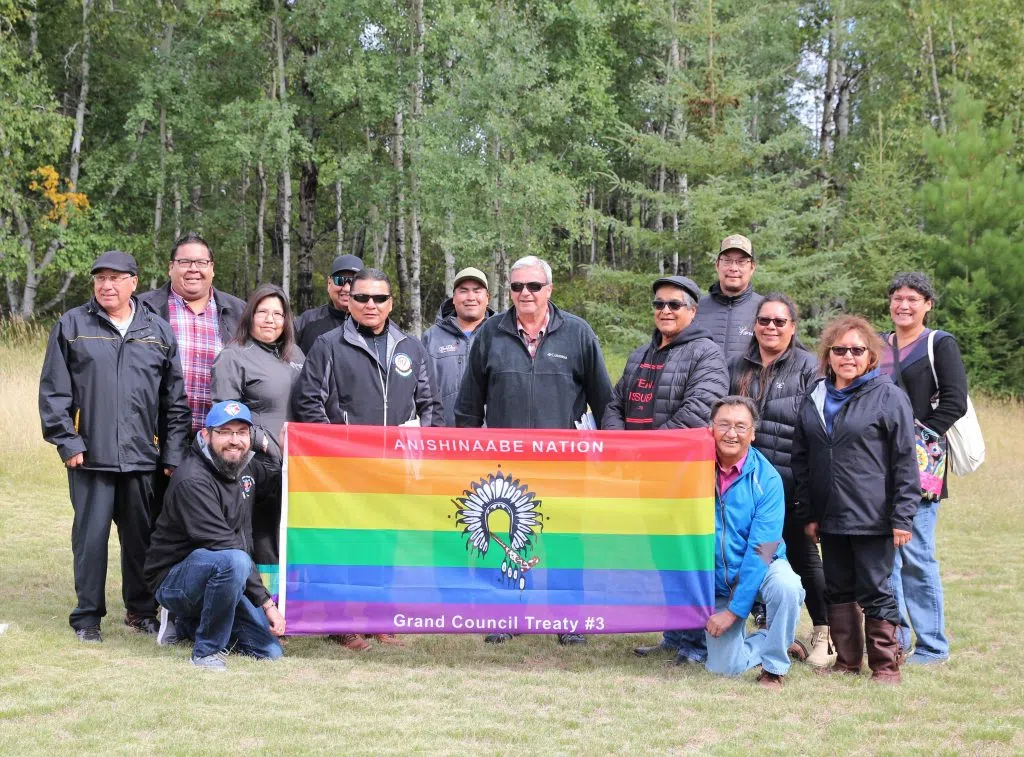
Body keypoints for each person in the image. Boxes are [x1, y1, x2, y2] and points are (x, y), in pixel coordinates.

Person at [456, 255, 613, 645]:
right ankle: (506, 616)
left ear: (550, 289)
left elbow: (605, 402)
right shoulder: (490, 333)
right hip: (503, 465)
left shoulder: (578, 333)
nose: (525, 293)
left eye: (534, 286)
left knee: (564, 542)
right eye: (517, 287)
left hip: (564, 464)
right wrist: (464, 456)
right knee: (509, 538)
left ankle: (568, 619)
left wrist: (608, 456)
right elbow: (468, 405)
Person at [39, 251, 190, 642]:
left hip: (143, 458)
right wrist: (67, 441)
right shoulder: (72, 325)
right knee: (89, 540)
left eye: (116, 278)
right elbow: (55, 392)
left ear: (134, 282)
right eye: (100, 278)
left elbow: (174, 401)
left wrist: (172, 453)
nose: (107, 285)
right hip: (90, 457)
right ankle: (87, 618)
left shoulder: (158, 331)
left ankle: (141, 611)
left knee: (141, 539)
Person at [291, 268, 443, 650]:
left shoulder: (410, 347)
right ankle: (342, 622)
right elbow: (308, 402)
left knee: (385, 543)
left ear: (391, 303)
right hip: (344, 468)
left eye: (378, 298)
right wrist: (338, 452)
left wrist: (421, 452)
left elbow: (429, 405)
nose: (370, 305)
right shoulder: (327, 345)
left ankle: (379, 617)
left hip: (394, 467)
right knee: (344, 544)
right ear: (349, 301)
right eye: (362, 298)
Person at [602, 275, 728, 666]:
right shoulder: (641, 353)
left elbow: (699, 410)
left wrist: (648, 451)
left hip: (682, 477)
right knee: (663, 557)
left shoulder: (707, 354)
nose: (666, 311)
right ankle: (674, 635)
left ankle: (696, 643)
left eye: (675, 305)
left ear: (692, 310)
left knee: (687, 557)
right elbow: (614, 404)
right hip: (646, 476)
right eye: (659, 304)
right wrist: (621, 446)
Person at [792, 315, 919, 684]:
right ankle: (847, 661)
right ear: (828, 355)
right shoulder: (814, 396)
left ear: (871, 356)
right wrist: (809, 512)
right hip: (829, 516)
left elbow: (905, 461)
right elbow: (802, 458)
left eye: (857, 350)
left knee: (876, 589)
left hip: (873, 515)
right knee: (838, 588)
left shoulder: (888, 396)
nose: (848, 356)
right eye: (840, 349)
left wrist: (902, 516)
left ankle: (884, 666)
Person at [728, 294, 832, 667]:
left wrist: (810, 489)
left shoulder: (808, 366)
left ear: (793, 327)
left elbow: (820, 430)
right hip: (747, 482)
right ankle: (772, 627)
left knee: (802, 556)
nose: (771, 327)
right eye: (765, 320)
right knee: (756, 554)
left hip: (791, 480)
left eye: (779, 322)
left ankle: (823, 631)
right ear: (754, 324)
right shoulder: (737, 365)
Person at [144, 401, 285, 671]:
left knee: (269, 651)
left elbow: (277, 476)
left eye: (241, 432)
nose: (234, 441)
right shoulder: (192, 479)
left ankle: (189, 623)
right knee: (234, 561)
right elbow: (227, 546)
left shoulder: (245, 468)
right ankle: (205, 650)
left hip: (227, 577)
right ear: (207, 435)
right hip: (174, 578)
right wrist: (267, 603)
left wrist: (274, 446)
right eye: (225, 432)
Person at [879, 272, 968, 665]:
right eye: (898, 297)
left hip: (921, 465)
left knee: (916, 554)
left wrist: (915, 437)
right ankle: (894, 640)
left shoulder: (939, 343)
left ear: (928, 304)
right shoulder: (877, 344)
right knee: (885, 558)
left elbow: (955, 401)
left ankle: (932, 646)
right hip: (876, 465)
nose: (904, 304)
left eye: (913, 298)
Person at [701, 396, 806, 690]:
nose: (731, 433)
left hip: (762, 567)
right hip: (717, 580)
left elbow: (763, 550)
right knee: (724, 668)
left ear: (753, 433)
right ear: (711, 428)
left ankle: (774, 666)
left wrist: (734, 612)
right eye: (723, 424)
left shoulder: (768, 479)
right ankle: (772, 639)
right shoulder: (695, 468)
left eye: (740, 426)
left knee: (787, 586)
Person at [211, 284, 304, 571]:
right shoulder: (234, 355)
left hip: (295, 465)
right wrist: (264, 443)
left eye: (278, 313)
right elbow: (227, 417)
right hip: (256, 465)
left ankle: (285, 606)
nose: (270, 319)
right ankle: (260, 607)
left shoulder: (296, 355)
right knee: (260, 542)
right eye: (262, 312)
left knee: (287, 540)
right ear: (250, 315)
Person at [138, 232, 246, 438]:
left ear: (212, 269)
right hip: (155, 436)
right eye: (185, 262)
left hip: (219, 437)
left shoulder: (239, 312)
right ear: (171, 267)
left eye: (201, 262)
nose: (193, 269)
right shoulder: (143, 310)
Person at [421, 267, 494, 427]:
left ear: (487, 298)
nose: (470, 297)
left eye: (477, 291)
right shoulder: (432, 337)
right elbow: (421, 391)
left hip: (489, 441)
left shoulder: (500, 335)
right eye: (463, 291)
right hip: (443, 438)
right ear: (453, 298)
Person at [693, 234, 764, 363]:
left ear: (752, 267)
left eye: (741, 262)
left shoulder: (766, 310)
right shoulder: (695, 309)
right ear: (717, 265)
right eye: (727, 261)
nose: (733, 268)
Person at [294, 253, 364, 354]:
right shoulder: (306, 321)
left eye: (353, 282)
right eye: (340, 280)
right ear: (329, 283)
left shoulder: (375, 324)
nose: (347, 288)